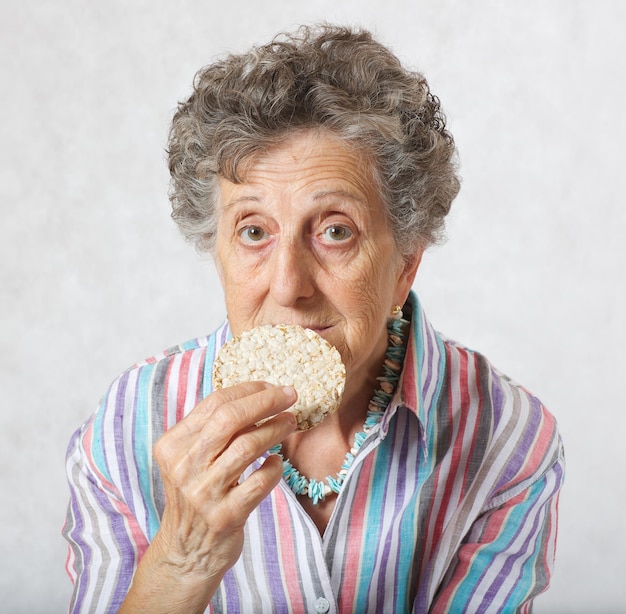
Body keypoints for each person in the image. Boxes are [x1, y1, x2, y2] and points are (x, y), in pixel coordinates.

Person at [63, 24, 564, 613]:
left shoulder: (509, 441)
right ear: (216, 247)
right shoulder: (126, 430)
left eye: (334, 231)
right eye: (253, 231)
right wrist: (182, 559)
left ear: (405, 262)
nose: (288, 285)